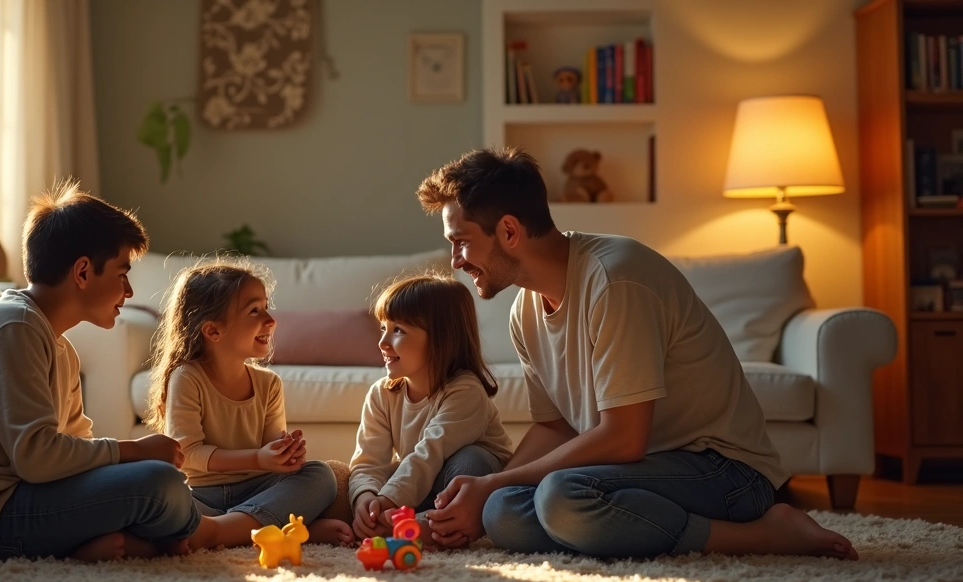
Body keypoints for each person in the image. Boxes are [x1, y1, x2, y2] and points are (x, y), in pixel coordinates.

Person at [416, 147, 859, 560]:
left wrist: (495, 480)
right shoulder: (525, 311)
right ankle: (617, 527)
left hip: (724, 473)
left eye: (461, 241)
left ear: (509, 231)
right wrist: (485, 496)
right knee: (504, 513)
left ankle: (764, 533)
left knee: (561, 498)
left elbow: (625, 438)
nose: (455, 259)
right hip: (632, 474)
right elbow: (554, 427)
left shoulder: (615, 278)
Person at [0, 180, 203, 562]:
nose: (130, 291)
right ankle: (194, 531)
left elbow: (75, 446)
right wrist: (133, 450)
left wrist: (127, 463)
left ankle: (118, 541)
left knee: (163, 482)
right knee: (160, 485)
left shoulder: (57, 345)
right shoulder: (13, 328)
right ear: (83, 272)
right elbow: (36, 457)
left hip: (30, 496)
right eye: (122, 275)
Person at [147, 257, 355, 549]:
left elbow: (272, 460)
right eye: (254, 311)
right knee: (156, 493)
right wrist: (258, 458)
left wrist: (285, 457)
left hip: (257, 490)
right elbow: (189, 453)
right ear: (213, 331)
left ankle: (224, 531)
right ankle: (277, 530)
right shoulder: (187, 377)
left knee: (320, 475)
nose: (270, 320)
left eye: (266, 307)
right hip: (202, 494)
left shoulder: (268, 384)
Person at [348, 274, 513, 545]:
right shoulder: (382, 393)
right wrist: (366, 499)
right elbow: (368, 462)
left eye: (398, 330)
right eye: (383, 328)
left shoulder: (465, 391)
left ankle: (428, 525)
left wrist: (387, 500)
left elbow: (430, 452)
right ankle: (401, 523)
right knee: (359, 481)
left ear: (441, 338)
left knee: (469, 461)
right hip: (422, 480)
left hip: (467, 484)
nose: (383, 342)